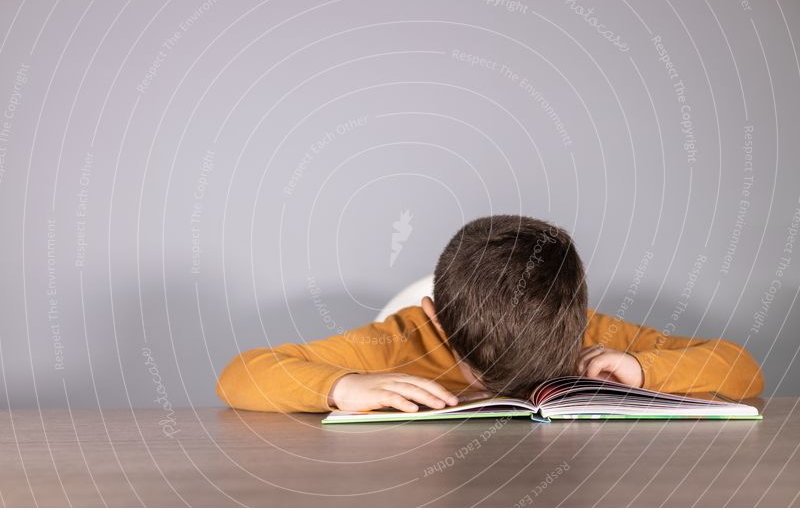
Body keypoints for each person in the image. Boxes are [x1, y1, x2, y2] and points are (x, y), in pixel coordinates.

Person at [216, 215, 764, 413]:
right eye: (482, 364)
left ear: (576, 318)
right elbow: (239, 374)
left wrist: (642, 370)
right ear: (431, 317)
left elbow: (743, 370)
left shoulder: (597, 335)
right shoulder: (398, 339)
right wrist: (343, 385)